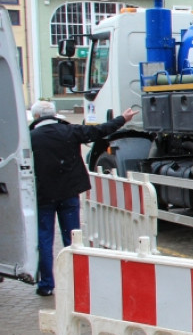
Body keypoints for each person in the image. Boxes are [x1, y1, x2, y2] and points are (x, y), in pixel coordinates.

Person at [29, 100, 138, 296]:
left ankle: (46, 284)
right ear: (54, 115)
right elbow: (100, 131)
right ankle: (77, 281)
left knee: (44, 238)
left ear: (36, 117)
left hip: (43, 195)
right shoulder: (70, 131)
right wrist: (122, 118)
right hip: (69, 193)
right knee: (73, 238)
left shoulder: (31, 138)